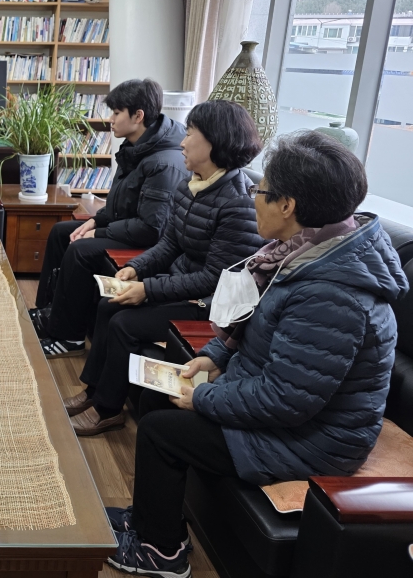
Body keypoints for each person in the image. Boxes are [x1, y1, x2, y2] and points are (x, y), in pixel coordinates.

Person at [102, 130, 407, 578]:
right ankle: (151, 521)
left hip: (316, 438)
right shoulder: (304, 251)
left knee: (161, 431)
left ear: (288, 206)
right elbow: (254, 324)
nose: (252, 200)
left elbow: (288, 400)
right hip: (284, 404)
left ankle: (162, 553)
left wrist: (204, 397)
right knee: (156, 396)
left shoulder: (331, 295)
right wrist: (214, 357)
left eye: (258, 192)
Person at [65, 100, 265, 437]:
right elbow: (169, 243)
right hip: (181, 283)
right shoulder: (190, 183)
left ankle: (107, 410)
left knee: (125, 323)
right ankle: (93, 392)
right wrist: (136, 269)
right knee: (108, 304)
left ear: (214, 142)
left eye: (190, 134)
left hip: (211, 303)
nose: (182, 143)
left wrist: (148, 289)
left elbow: (215, 279)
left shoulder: (238, 204)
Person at [32, 79, 189, 357]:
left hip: (147, 241)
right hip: (129, 227)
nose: (111, 119)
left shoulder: (164, 162)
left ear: (138, 116)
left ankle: (69, 338)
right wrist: (96, 220)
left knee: (81, 249)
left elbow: (151, 229)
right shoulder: (136, 145)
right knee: (61, 231)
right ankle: (51, 312)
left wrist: (100, 232)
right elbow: (121, 202)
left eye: (116, 113)